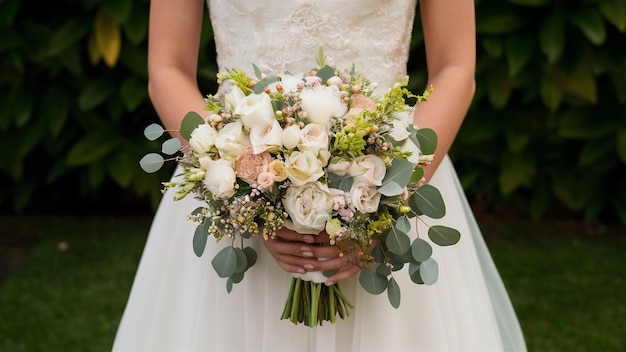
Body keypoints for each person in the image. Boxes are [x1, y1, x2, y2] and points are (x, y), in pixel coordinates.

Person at [113, 0, 527, 351]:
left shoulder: (391, 192)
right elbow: (167, 68)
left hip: (392, 167)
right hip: (236, 186)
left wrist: (385, 201)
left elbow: (455, 67)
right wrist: (245, 197)